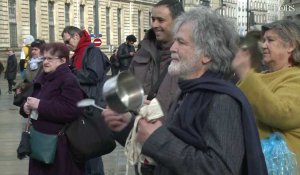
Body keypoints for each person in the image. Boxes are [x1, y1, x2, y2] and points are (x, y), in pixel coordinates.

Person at [105, 6, 268, 175]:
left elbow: (220, 170)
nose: (173, 48)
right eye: (175, 41)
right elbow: (169, 154)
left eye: (181, 42)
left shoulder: (221, 99)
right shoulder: (189, 91)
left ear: (207, 55)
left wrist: (157, 139)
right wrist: (127, 126)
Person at [102, 0, 184, 174]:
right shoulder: (142, 51)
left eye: (160, 20)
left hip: (172, 153)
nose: (154, 25)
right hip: (140, 150)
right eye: (152, 19)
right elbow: (125, 91)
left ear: (178, 20)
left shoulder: (190, 57)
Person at [232, 19, 300, 169]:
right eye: (264, 40)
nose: (264, 45)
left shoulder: (296, 78)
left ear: (290, 46)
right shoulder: (259, 77)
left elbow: (281, 113)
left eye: (270, 40)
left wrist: (245, 72)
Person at [19, 42, 85, 175]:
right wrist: (25, 107)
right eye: (44, 58)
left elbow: (72, 110)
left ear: (62, 60)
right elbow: (32, 99)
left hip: (59, 146)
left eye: (50, 59)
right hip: (39, 141)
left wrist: (39, 105)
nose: (45, 62)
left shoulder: (68, 80)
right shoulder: (43, 77)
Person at [61, 26, 110, 175]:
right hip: (80, 108)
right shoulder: (77, 54)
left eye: (67, 41)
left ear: (76, 36)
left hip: (91, 107)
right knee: (82, 150)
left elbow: (93, 75)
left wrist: (71, 72)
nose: (66, 45)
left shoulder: (91, 51)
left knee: (92, 151)